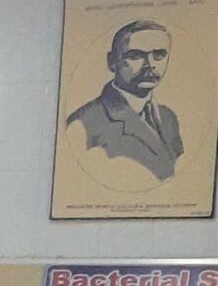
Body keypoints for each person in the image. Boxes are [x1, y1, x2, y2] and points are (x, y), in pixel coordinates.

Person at [64, 20, 184, 182]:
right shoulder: (84, 123)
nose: (150, 65)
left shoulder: (168, 117)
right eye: (136, 55)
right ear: (112, 61)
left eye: (159, 55)